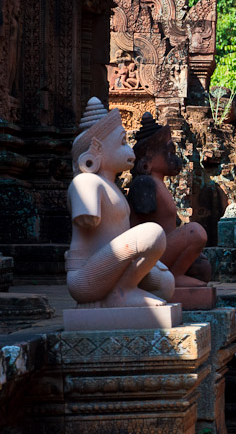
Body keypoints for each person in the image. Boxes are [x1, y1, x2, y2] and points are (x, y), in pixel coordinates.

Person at [66, 98, 174, 308]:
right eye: (122, 143)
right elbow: (86, 218)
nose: (129, 150)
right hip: (85, 276)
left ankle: (113, 296)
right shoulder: (87, 181)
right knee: (153, 234)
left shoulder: (112, 187)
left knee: (165, 284)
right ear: (96, 148)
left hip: (111, 268)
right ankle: (121, 293)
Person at [128, 112, 210, 288]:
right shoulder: (143, 184)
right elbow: (144, 232)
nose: (173, 157)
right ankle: (174, 277)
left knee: (202, 268)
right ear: (147, 161)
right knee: (195, 232)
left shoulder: (157, 183)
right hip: (147, 259)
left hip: (161, 253)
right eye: (169, 151)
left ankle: (173, 276)